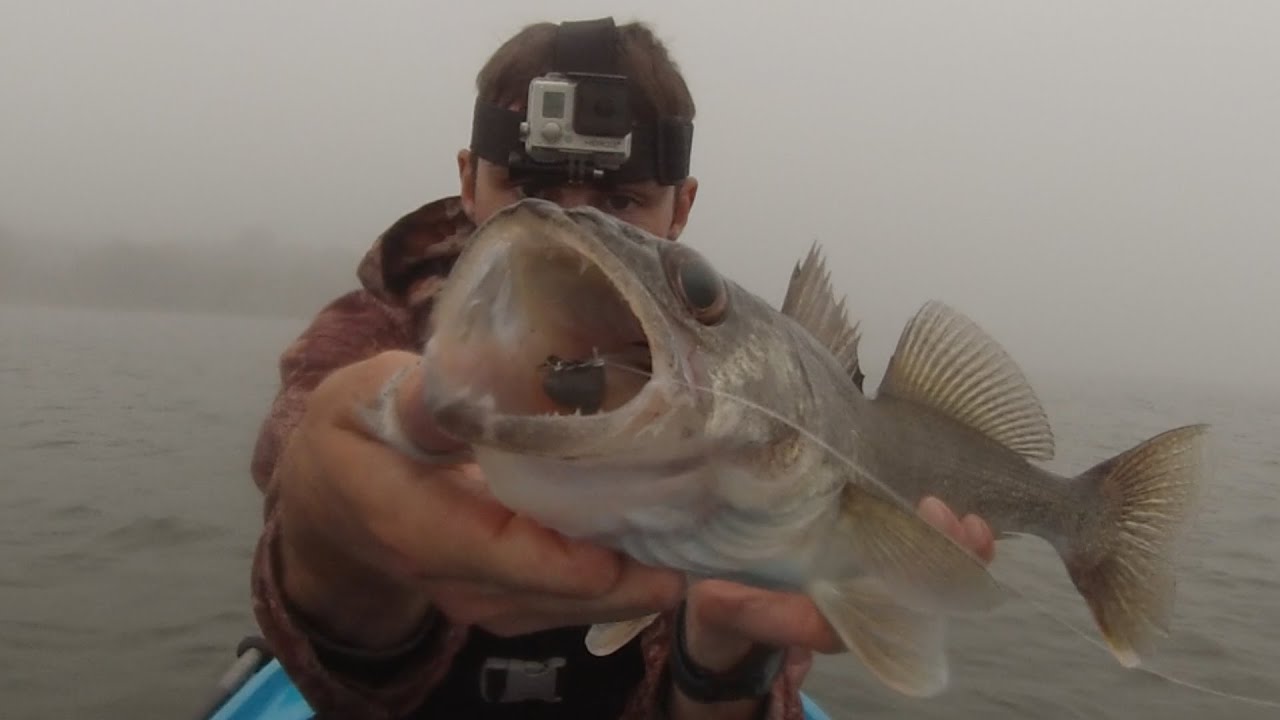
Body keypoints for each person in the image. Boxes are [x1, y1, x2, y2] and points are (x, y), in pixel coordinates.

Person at [248, 16, 997, 720]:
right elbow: (331, 658)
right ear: (469, 180)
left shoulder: (749, 382)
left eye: (620, 199)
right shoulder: (362, 339)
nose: (578, 228)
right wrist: (333, 536)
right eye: (530, 190)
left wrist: (722, 652)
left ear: (682, 209)